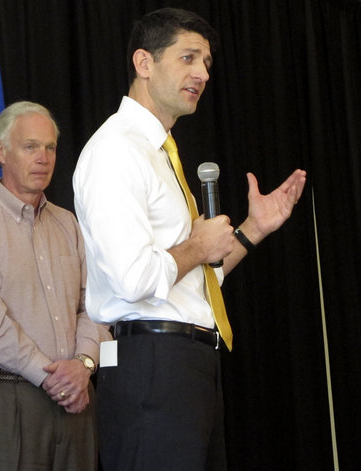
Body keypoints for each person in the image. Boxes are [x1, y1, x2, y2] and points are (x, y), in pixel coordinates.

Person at [72, 8, 307, 471]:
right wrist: (197, 246)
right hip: (152, 364)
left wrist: (253, 230)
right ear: (144, 62)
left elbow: (193, 280)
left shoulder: (159, 152)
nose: (201, 73)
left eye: (206, 63)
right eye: (188, 58)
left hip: (186, 364)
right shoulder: (116, 150)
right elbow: (134, 276)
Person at [0, 101, 111, 471]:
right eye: (30, 146)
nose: (43, 157)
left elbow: (97, 305)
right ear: (1, 151)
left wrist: (82, 365)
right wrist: (49, 375)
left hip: (77, 397)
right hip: (5, 398)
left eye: (50, 147)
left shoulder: (70, 224)